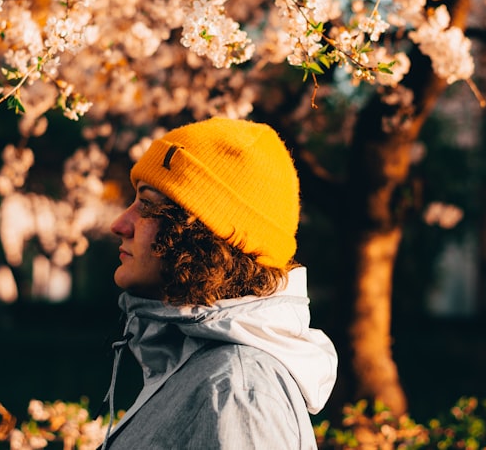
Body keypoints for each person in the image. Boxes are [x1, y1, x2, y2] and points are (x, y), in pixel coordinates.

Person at [97, 116, 338, 450]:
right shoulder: (206, 372)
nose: (120, 223)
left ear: (204, 234)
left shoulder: (237, 391)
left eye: (148, 204)